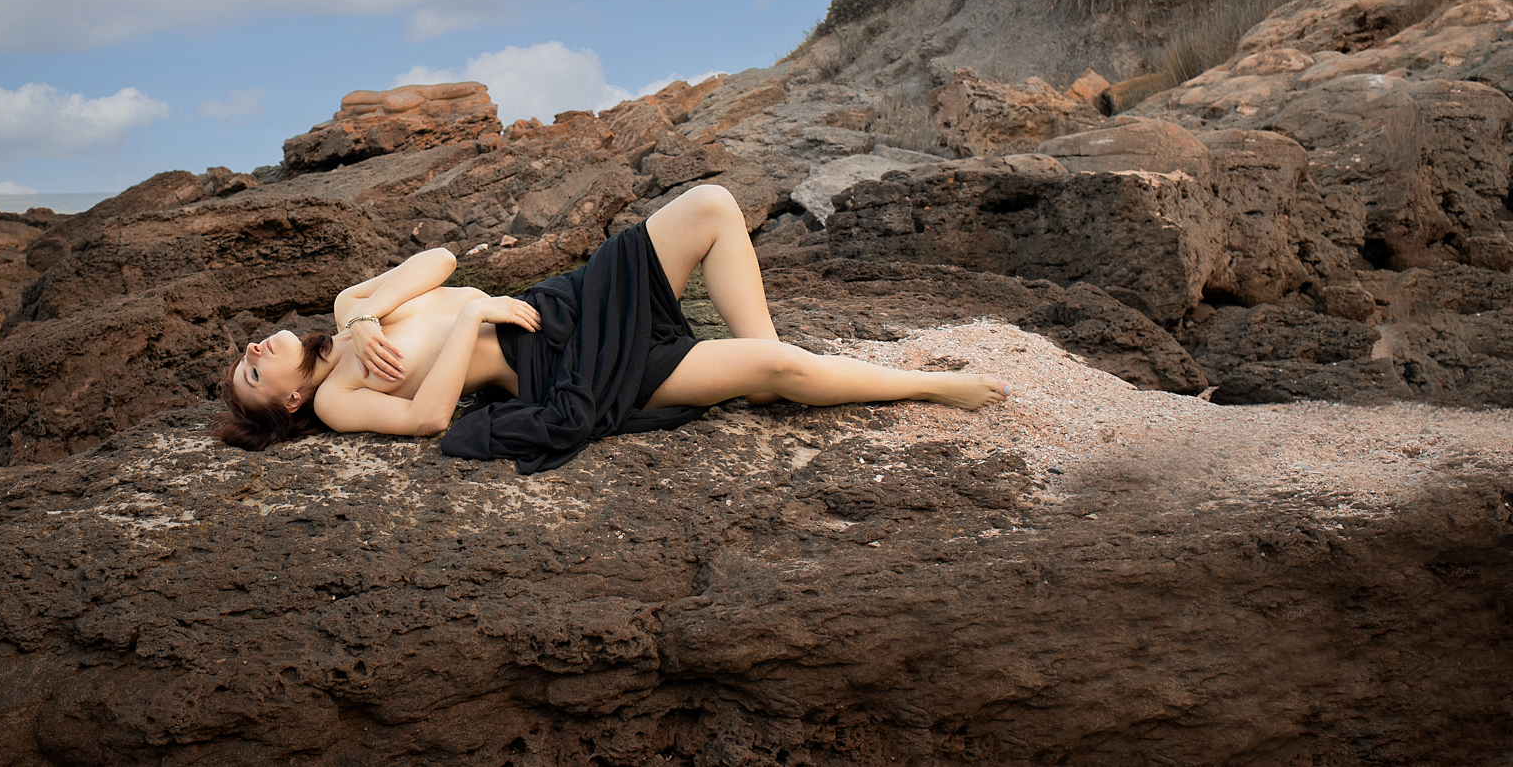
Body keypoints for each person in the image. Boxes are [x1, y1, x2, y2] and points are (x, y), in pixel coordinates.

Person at [212, 182, 1009, 473]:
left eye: (247, 354)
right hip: (566, 370)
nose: (255, 350)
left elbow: (443, 257)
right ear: (288, 406)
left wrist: (355, 315)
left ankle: (759, 351)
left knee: (713, 205)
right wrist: (478, 316)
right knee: (779, 367)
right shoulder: (340, 399)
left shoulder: (353, 311)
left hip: (570, 299)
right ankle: (933, 385)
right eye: (253, 373)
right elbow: (426, 418)